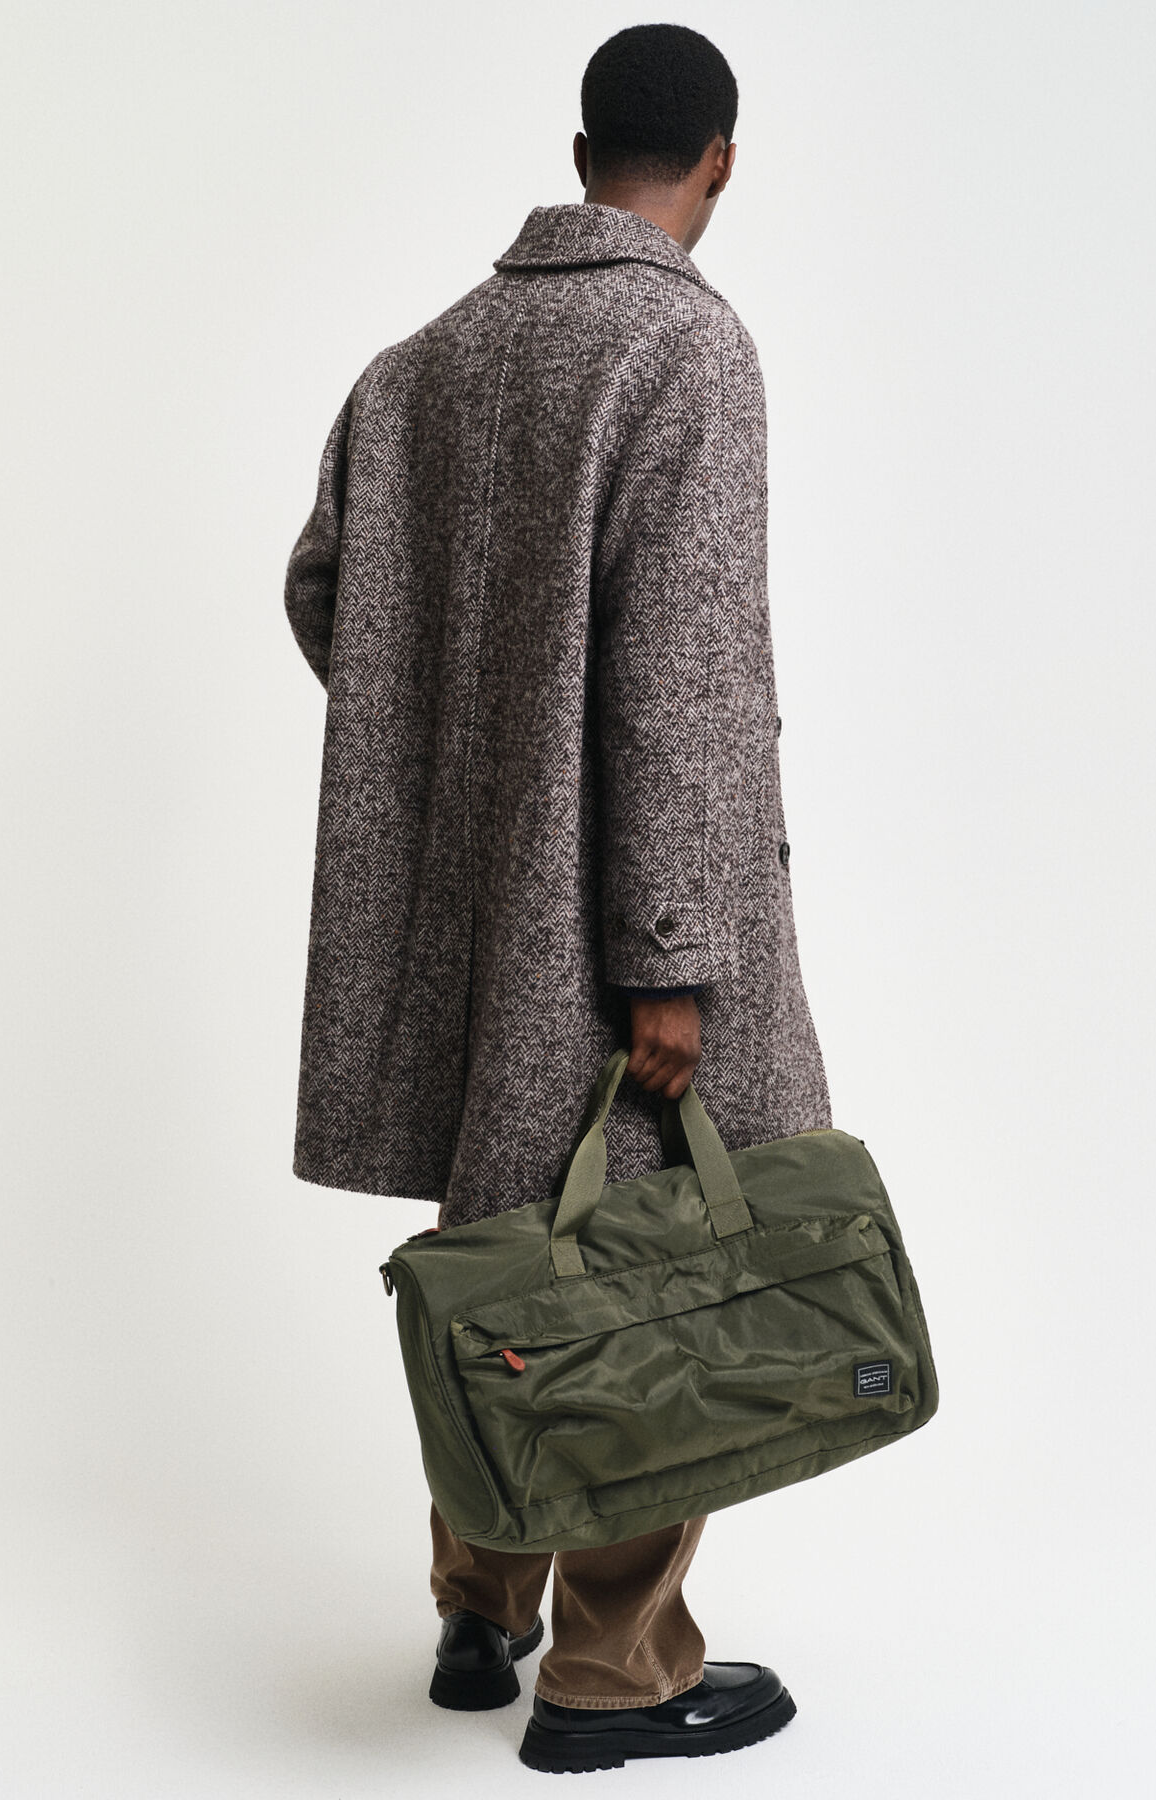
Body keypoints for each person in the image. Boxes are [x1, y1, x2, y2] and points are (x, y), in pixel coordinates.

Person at [283, 21, 831, 1772]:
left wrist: (472, 770)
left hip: (479, 917)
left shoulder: (419, 365)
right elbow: (679, 671)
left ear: (582, 153)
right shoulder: (685, 347)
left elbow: (325, 590)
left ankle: (478, 1605)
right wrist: (674, 954)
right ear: (721, 159)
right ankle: (617, 1674)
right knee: (648, 1275)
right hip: (621, 932)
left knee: (504, 1252)